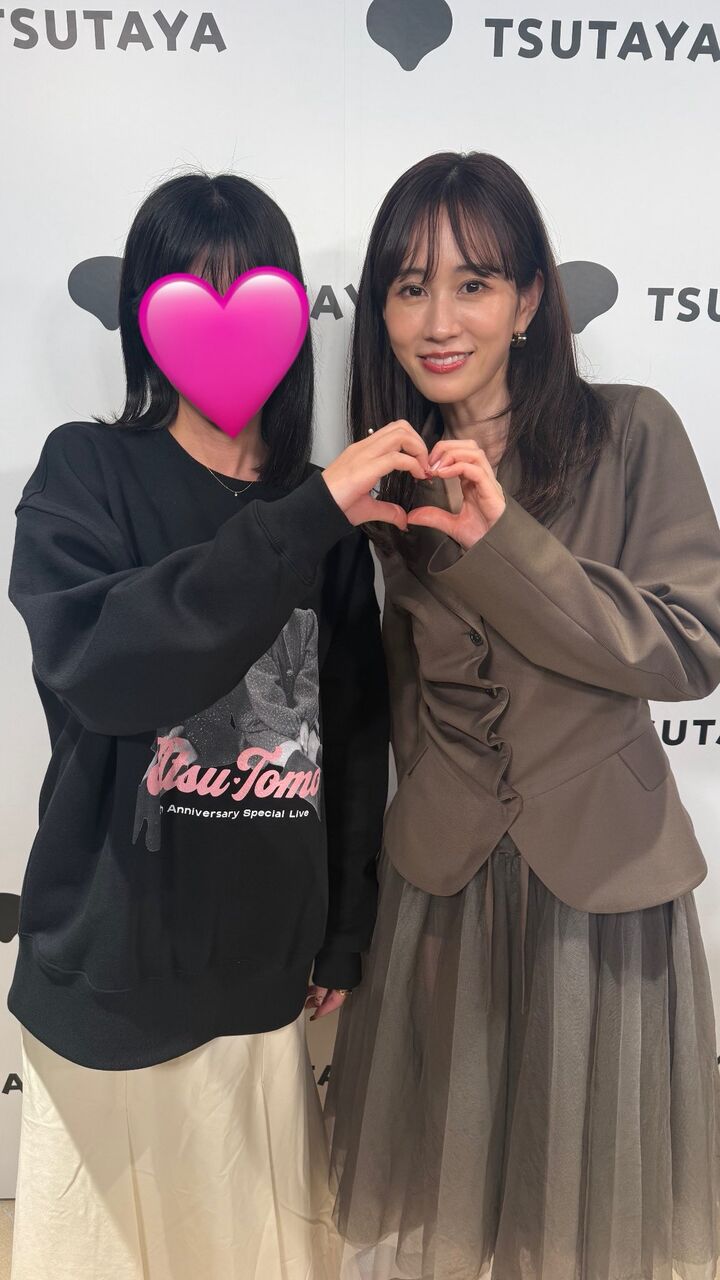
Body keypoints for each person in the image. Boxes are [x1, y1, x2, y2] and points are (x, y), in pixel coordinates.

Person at [6, 170, 425, 1280]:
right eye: (195, 291)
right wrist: (305, 518)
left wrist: (343, 930)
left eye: (253, 293)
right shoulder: (88, 470)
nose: (226, 322)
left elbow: (354, 739)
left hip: (262, 979)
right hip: (112, 966)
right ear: (145, 315)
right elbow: (102, 669)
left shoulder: (324, 510)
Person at [324, 151, 720, 1280]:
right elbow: (398, 703)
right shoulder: (385, 475)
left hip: (602, 887)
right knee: (450, 1212)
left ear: (531, 299)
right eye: (409, 287)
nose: (439, 321)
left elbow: (690, 644)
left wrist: (506, 543)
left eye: (475, 283)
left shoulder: (632, 431)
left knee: (584, 1218)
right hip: (441, 892)